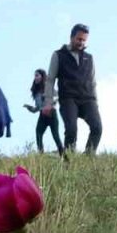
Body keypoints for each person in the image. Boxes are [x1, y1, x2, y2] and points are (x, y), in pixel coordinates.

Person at [42, 24, 102, 156]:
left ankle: (88, 158)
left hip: (87, 98)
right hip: (68, 98)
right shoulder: (58, 55)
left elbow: (93, 82)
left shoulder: (89, 58)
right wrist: (48, 102)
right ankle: (69, 161)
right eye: (79, 39)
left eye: (84, 40)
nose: (81, 42)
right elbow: (50, 79)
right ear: (71, 37)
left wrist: (95, 103)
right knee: (71, 130)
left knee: (97, 127)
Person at [24, 69, 66, 160]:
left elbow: (58, 97)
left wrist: (49, 103)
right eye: (34, 76)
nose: (35, 78)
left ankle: (64, 157)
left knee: (55, 136)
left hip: (51, 114)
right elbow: (36, 109)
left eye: (37, 75)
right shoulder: (36, 93)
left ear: (42, 76)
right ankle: (41, 156)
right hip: (42, 116)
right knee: (38, 133)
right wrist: (29, 108)